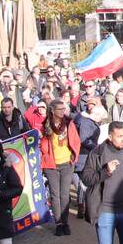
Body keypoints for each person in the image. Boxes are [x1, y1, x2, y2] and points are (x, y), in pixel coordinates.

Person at [40, 99, 82, 236]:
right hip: (51, 164)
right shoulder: (46, 125)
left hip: (66, 164)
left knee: (64, 194)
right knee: (55, 194)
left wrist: (74, 156)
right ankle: (58, 222)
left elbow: (76, 140)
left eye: (64, 109)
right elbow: (42, 146)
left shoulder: (69, 123)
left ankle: (65, 222)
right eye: (60, 109)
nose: (63, 111)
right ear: (52, 110)